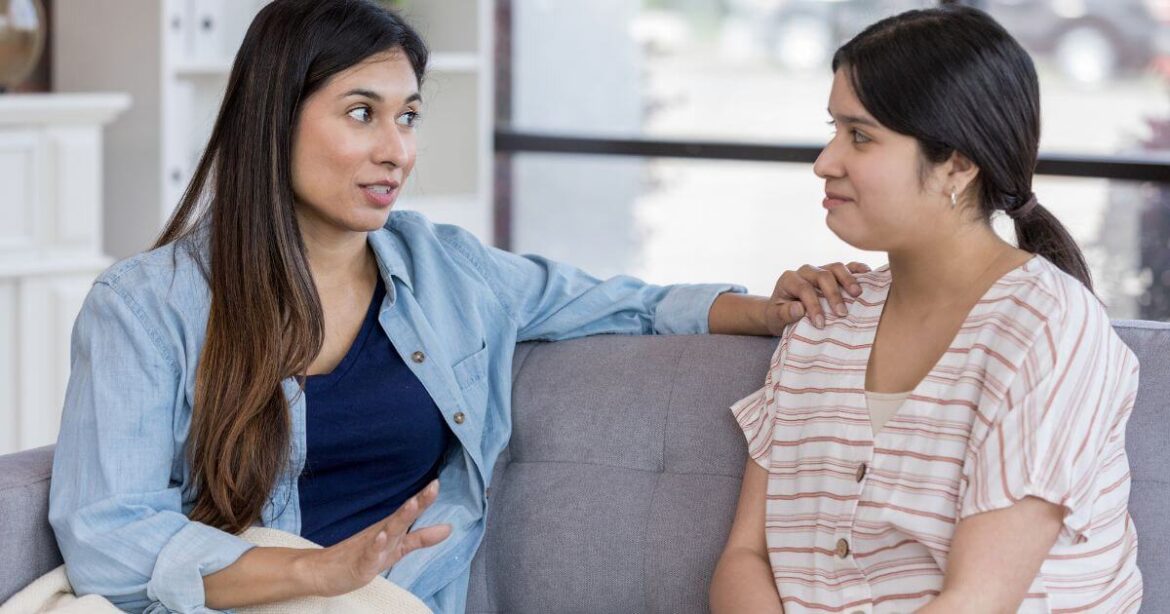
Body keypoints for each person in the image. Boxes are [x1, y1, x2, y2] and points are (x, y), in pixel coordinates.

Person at [46, 1, 865, 612]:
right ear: (274, 118)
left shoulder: (446, 270)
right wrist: (318, 572)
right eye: (361, 113)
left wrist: (768, 310)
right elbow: (108, 535)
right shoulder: (145, 306)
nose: (395, 150)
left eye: (407, 117)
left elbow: (625, 304)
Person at [711, 6, 1142, 613]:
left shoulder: (1047, 328)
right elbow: (744, 560)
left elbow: (978, 601)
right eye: (833, 129)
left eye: (859, 136)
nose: (825, 161)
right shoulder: (825, 320)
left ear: (958, 165)